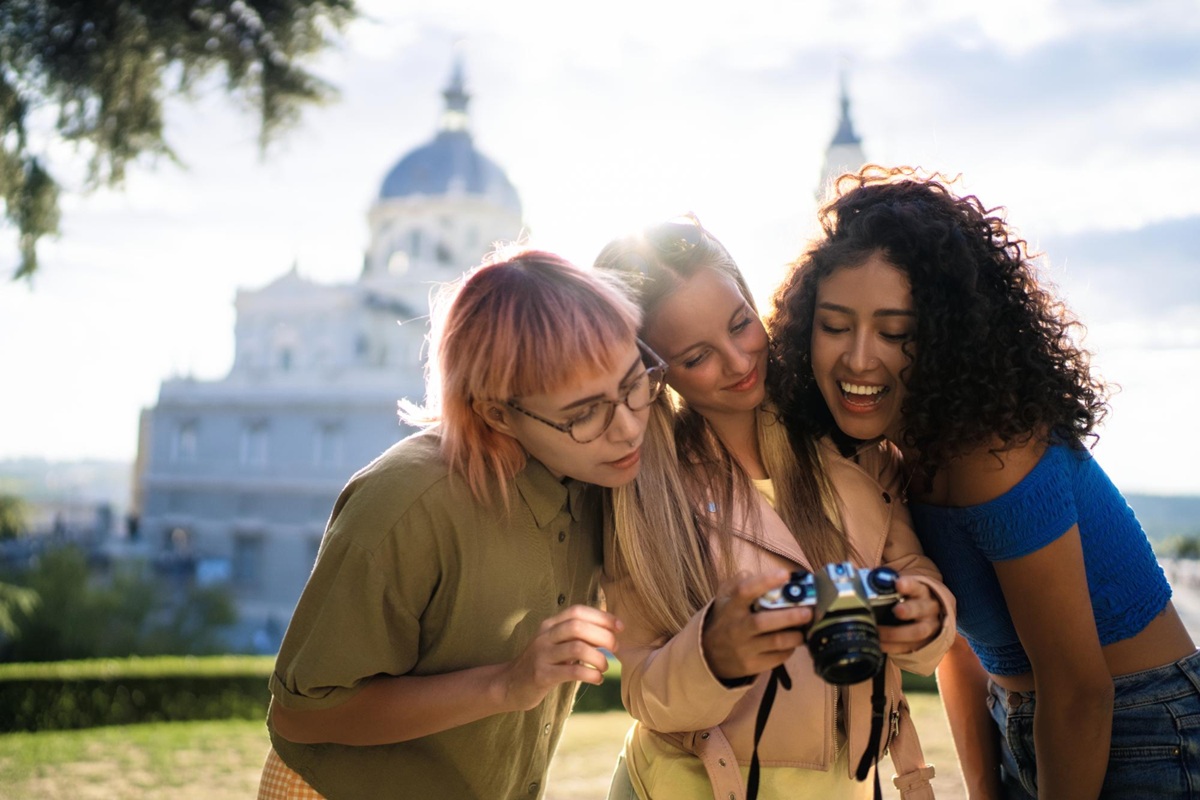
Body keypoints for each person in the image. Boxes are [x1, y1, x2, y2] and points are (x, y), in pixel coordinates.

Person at [768, 165, 1200, 800]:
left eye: (895, 333)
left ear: (945, 337)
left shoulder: (992, 451)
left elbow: (1079, 688)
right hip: (1024, 717)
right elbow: (960, 649)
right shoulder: (892, 452)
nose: (859, 358)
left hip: (1143, 725)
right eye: (835, 326)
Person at [257, 246, 662, 799]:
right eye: (584, 413)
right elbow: (302, 716)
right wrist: (504, 684)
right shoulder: (407, 503)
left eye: (636, 383)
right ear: (497, 412)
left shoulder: (595, 474)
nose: (628, 428)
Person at [593, 215, 956, 800]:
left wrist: (926, 616)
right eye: (697, 356)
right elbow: (642, 689)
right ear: (652, 372)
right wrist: (712, 656)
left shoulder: (849, 442)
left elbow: (915, 578)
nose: (739, 362)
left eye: (741, 324)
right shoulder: (639, 494)